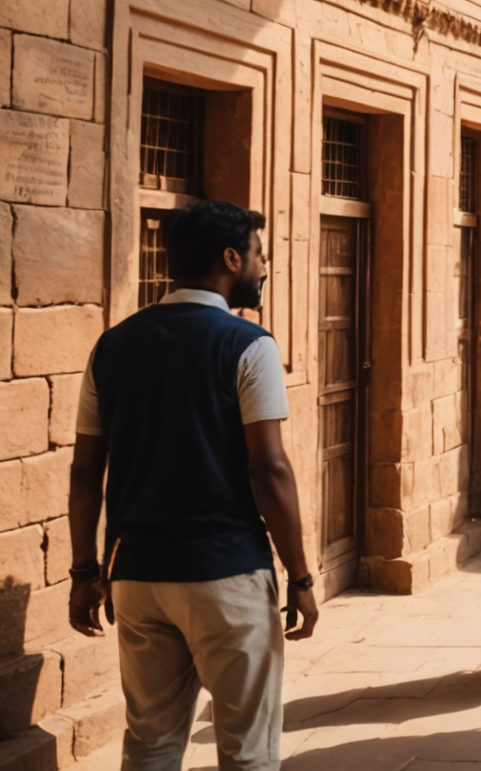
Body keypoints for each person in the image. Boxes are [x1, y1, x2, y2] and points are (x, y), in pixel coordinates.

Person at [66, 200, 313, 771]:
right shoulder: (249, 345)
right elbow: (270, 469)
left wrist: (85, 572)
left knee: (150, 743)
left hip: (138, 576)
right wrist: (298, 575)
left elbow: (84, 472)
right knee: (247, 750)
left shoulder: (113, 346)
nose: (264, 266)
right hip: (225, 573)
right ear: (231, 258)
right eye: (259, 254)